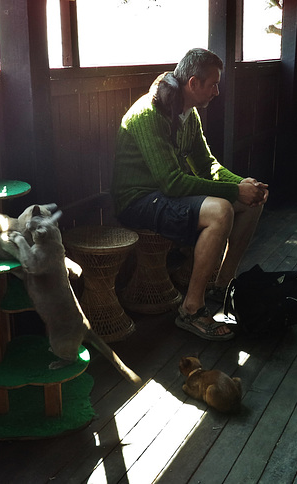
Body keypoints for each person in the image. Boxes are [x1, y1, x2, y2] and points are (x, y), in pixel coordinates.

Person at [111, 47, 268, 341]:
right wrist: (235, 190)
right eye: (214, 84)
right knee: (222, 210)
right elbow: (172, 183)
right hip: (138, 200)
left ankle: (221, 284)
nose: (217, 92)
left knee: (252, 203)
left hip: (164, 195)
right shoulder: (149, 113)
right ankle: (191, 310)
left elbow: (207, 164)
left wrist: (246, 185)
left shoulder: (188, 113)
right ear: (193, 84)